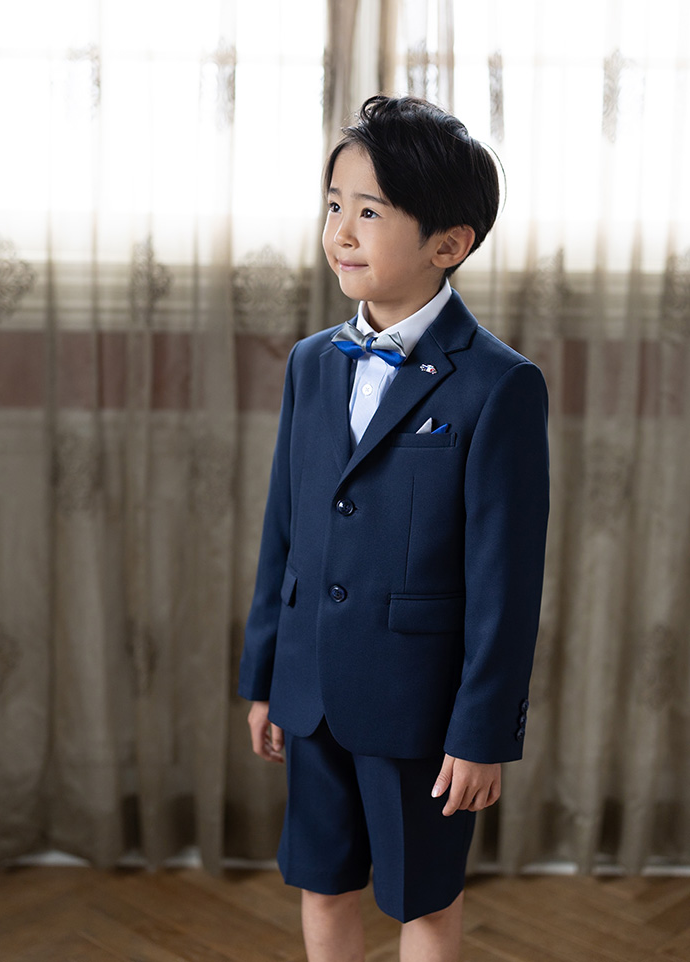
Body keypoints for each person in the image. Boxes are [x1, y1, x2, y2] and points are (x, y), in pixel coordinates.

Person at [238, 94, 549, 962]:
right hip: (311, 689)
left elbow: (506, 580)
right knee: (323, 884)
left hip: (421, 706)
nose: (341, 231)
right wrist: (265, 675)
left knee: (424, 901)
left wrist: (481, 731)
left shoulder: (498, 385)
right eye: (334, 204)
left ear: (449, 244)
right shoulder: (311, 363)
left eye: (370, 213)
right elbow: (284, 529)